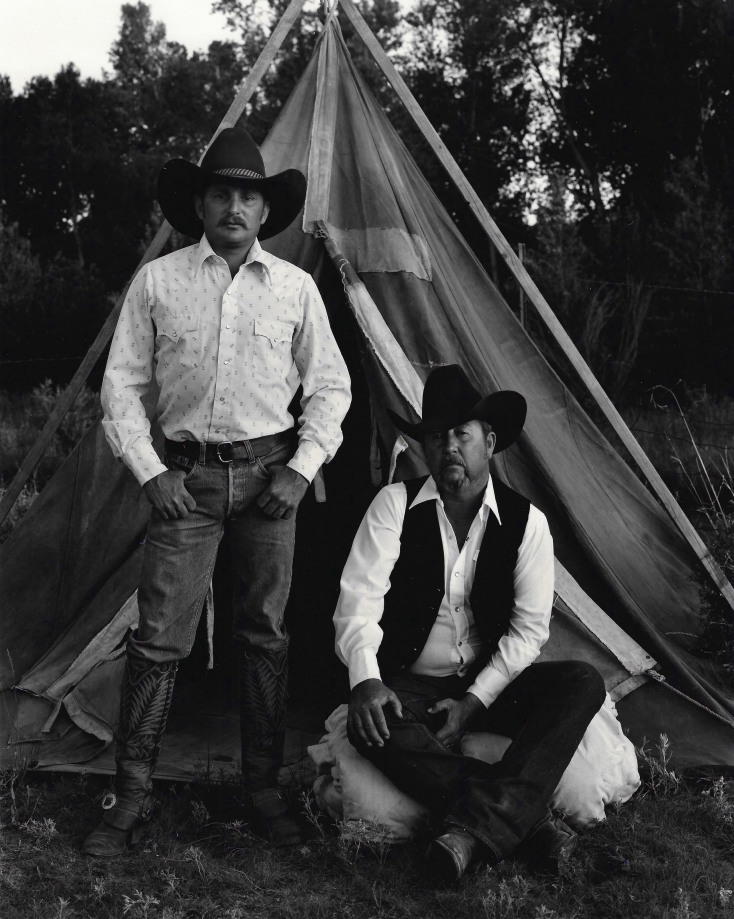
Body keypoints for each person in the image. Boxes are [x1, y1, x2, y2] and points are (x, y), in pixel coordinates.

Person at [83, 127, 351, 856]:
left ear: (267, 212)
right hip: (186, 484)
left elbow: (330, 385)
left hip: (270, 482)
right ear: (199, 204)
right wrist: (151, 472)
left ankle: (261, 788)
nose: (236, 206)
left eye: (250, 196)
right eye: (223, 193)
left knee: (264, 634)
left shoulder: (296, 289)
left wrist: (301, 469)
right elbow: (123, 387)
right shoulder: (159, 282)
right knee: (158, 638)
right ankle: (130, 792)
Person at [333, 365, 605, 883]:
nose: (448, 446)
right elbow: (358, 600)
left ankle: (469, 832)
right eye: (436, 436)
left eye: (462, 433)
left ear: (489, 441)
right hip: (411, 684)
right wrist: (367, 679)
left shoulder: (528, 523)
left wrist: (474, 701)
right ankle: (525, 821)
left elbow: (529, 632)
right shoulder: (394, 505)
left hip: (493, 687)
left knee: (581, 682)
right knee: (368, 724)